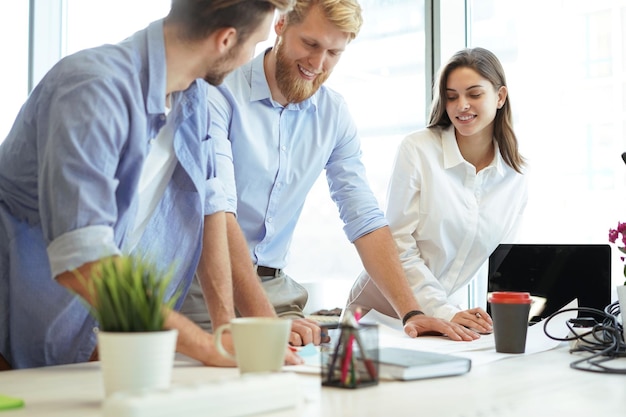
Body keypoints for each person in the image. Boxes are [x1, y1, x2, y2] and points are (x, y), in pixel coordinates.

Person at [0, 0, 297, 370]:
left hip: (81, 342)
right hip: (14, 336)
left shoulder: (198, 97)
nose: (250, 59)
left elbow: (209, 206)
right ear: (225, 40)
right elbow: (84, 261)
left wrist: (226, 329)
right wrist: (207, 347)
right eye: (253, 46)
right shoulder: (92, 90)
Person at [180, 0, 479, 345]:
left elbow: (363, 217)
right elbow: (218, 210)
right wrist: (265, 323)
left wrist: (412, 313)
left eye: (333, 53)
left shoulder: (333, 114)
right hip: (203, 289)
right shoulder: (218, 92)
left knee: (329, 377)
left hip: (277, 293)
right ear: (280, 26)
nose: (317, 64)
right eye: (310, 44)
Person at [347, 47, 528, 332]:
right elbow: (398, 244)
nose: (461, 105)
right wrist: (442, 310)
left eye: (474, 94)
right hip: (380, 312)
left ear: (500, 97)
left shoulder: (514, 176)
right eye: (451, 96)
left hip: (444, 316)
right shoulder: (418, 150)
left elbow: (502, 262)